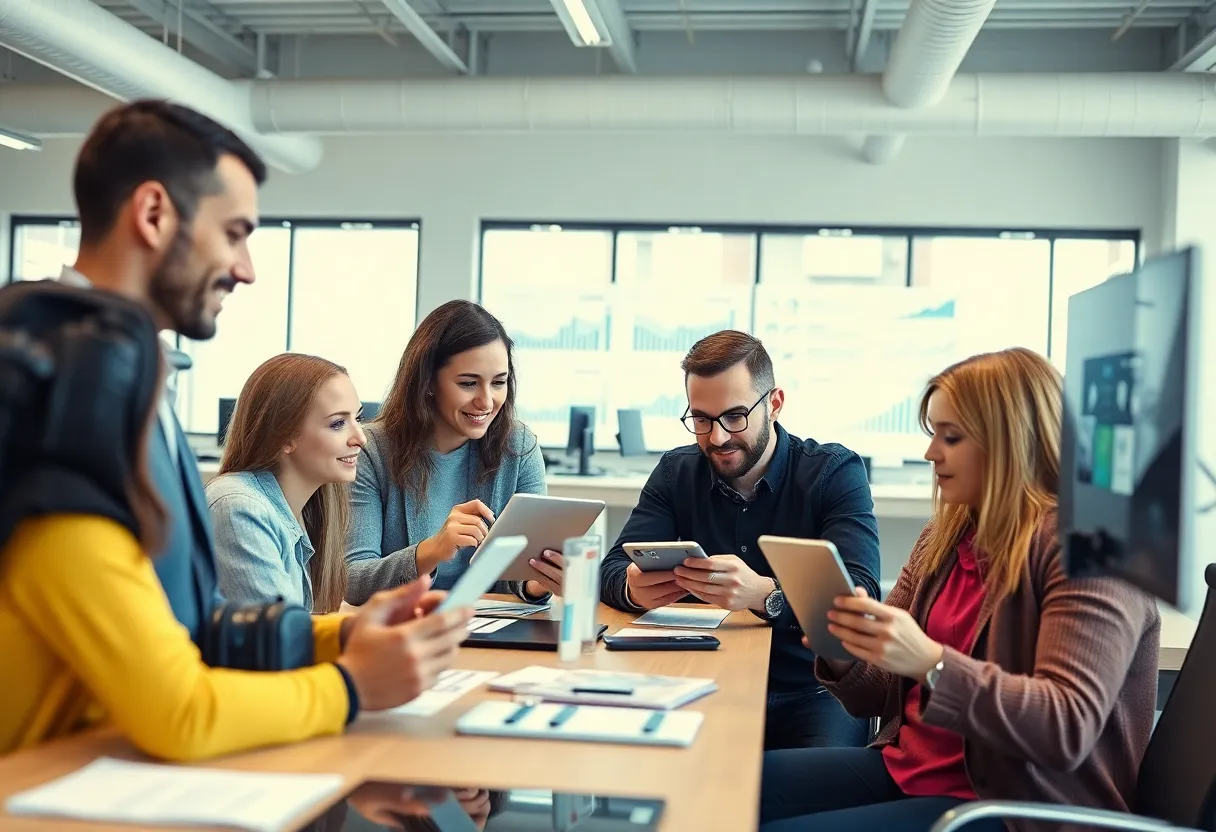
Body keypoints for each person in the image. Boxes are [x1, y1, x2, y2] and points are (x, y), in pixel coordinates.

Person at [0, 99, 472, 761]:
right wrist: (352, 686)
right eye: (234, 233)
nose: (247, 267)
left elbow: (187, 623)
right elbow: (182, 713)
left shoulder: (136, 387)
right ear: (155, 214)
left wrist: (344, 635)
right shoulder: (64, 396)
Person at [759, 348, 1160, 831]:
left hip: (1017, 806)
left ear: (1010, 440)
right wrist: (847, 652)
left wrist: (930, 661)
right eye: (934, 435)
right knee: (730, 785)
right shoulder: (947, 535)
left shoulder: (1092, 548)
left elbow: (1066, 727)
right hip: (912, 773)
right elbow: (875, 696)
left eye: (951, 437)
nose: (931, 453)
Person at [599, 330, 881, 751]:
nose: (716, 437)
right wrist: (633, 589)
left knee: (804, 803)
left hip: (813, 689)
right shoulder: (677, 472)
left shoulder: (834, 473)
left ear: (775, 404)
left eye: (734, 417)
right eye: (701, 419)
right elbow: (612, 571)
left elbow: (863, 597)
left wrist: (765, 594)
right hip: (703, 683)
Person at [345, 300, 560, 605]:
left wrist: (540, 580)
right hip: (405, 629)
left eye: (499, 383)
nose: (486, 401)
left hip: (493, 632)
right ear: (428, 382)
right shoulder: (371, 452)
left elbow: (522, 571)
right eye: (469, 383)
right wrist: (432, 550)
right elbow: (353, 581)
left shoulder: (519, 447)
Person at [208, 353, 366, 613]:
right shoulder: (239, 509)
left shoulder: (306, 510)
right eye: (338, 424)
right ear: (285, 437)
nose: (361, 438)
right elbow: (284, 639)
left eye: (357, 418)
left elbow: (319, 618)